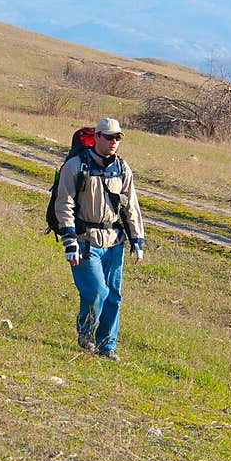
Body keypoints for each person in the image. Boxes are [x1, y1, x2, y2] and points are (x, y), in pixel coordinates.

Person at [54, 117, 145, 362]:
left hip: (114, 242)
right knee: (97, 291)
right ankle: (85, 332)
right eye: (108, 136)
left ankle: (107, 346)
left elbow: (131, 206)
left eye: (117, 137)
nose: (113, 141)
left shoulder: (123, 168)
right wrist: (69, 239)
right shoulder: (75, 166)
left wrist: (137, 239)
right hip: (85, 240)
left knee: (113, 296)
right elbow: (64, 203)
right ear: (96, 137)